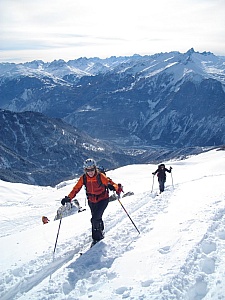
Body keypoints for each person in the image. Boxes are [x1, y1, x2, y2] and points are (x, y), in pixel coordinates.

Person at [61, 158, 119, 246]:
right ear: (85, 170)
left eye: (92, 169)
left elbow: (112, 183)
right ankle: (100, 229)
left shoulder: (100, 176)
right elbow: (76, 189)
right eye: (88, 170)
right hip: (91, 201)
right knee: (96, 218)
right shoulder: (84, 178)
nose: (90, 172)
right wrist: (69, 198)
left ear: (95, 168)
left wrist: (113, 187)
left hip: (103, 199)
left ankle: (97, 239)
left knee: (94, 219)